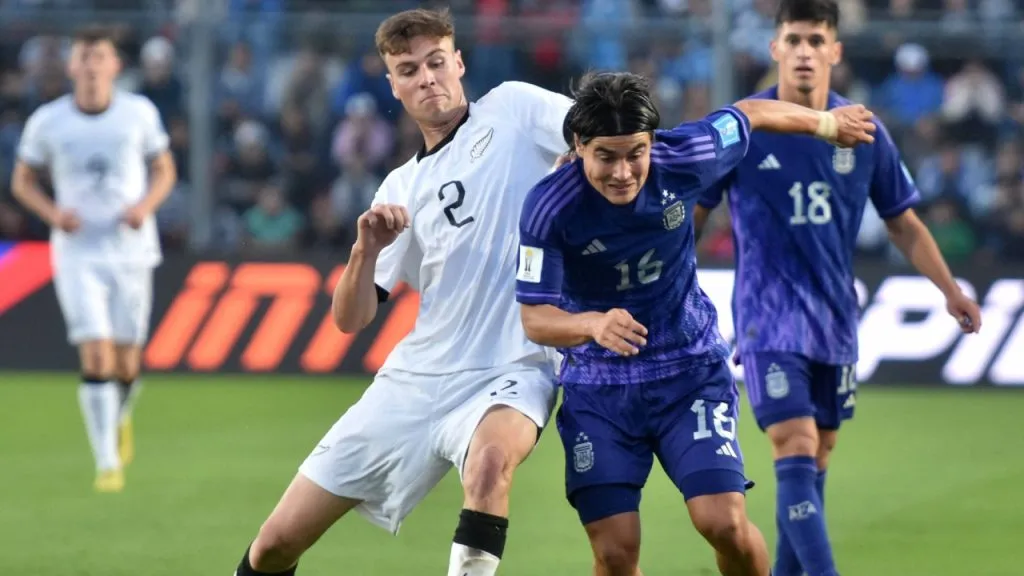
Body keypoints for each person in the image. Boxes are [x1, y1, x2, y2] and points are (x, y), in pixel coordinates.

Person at [232, 8, 572, 576]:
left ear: (459, 62)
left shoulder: (513, 108)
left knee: (490, 467)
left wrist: (578, 162)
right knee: (274, 546)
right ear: (392, 84)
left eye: (436, 62)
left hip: (517, 365)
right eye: (408, 70)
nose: (427, 78)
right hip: (417, 378)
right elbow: (350, 319)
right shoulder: (400, 187)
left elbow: (606, 133)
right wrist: (364, 251)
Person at [515, 70, 877, 576]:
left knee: (722, 522)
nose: (623, 172)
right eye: (606, 157)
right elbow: (535, 316)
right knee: (615, 552)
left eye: (635, 153)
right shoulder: (549, 206)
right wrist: (592, 325)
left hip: (688, 373)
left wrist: (823, 124)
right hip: (600, 390)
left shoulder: (687, 154)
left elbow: (750, 114)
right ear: (578, 146)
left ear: (653, 142)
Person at [692, 2, 983, 575]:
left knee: (816, 456)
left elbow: (903, 220)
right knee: (794, 445)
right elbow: (696, 213)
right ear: (775, 48)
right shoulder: (746, 127)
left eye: (815, 41)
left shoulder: (865, 131)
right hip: (766, 316)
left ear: (835, 52)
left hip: (835, 318)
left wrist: (950, 290)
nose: (804, 51)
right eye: (794, 40)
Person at [10, 26, 177, 493]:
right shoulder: (48, 120)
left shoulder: (138, 114)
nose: (89, 66)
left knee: (127, 361)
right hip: (78, 252)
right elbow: (23, 180)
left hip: (131, 248)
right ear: (70, 66)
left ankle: (119, 417)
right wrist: (52, 213)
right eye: (82, 57)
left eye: (98, 57)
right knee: (96, 351)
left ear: (114, 66)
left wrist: (145, 207)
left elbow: (164, 168)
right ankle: (106, 461)